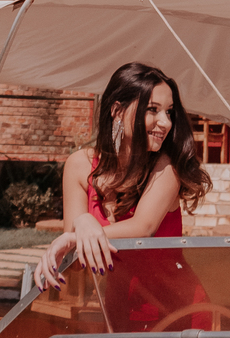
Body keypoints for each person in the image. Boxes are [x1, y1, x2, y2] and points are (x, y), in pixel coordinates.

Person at [34, 63, 210, 289]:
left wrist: (77, 234)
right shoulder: (78, 166)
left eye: (169, 111)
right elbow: (77, 259)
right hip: (119, 309)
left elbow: (143, 228)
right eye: (152, 109)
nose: (166, 122)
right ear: (117, 111)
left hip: (175, 308)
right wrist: (82, 222)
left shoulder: (166, 167)